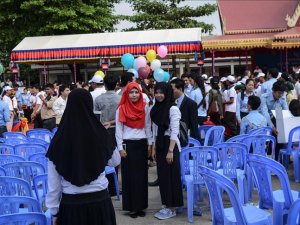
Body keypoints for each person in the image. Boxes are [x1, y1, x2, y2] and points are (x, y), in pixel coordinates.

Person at [46, 88, 119, 225]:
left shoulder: (58, 140)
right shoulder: (100, 134)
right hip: (99, 202)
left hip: (71, 205)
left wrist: (54, 211)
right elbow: (115, 161)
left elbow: (53, 183)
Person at [115, 82, 152, 218]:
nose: (134, 95)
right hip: (128, 146)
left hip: (142, 144)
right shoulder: (121, 109)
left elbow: (148, 127)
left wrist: (149, 144)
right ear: (127, 93)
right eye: (131, 92)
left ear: (140, 93)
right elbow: (118, 130)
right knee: (129, 177)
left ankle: (141, 206)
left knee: (141, 177)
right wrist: (119, 147)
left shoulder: (145, 108)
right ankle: (131, 207)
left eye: (137, 92)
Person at [150, 82, 183, 220]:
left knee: (172, 177)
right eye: (156, 92)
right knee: (163, 177)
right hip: (161, 144)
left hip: (171, 146)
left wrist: (170, 151)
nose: (158, 95)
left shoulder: (173, 109)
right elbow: (155, 130)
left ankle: (173, 207)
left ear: (167, 93)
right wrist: (154, 147)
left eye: (161, 92)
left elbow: (175, 131)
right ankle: (166, 204)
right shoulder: (156, 108)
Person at [94, 74, 121, 197]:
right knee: (115, 159)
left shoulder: (98, 99)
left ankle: (105, 186)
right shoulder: (120, 99)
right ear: (116, 84)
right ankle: (114, 187)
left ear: (104, 85)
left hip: (102, 131)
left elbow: (96, 117)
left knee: (103, 159)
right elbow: (122, 117)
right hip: (117, 131)